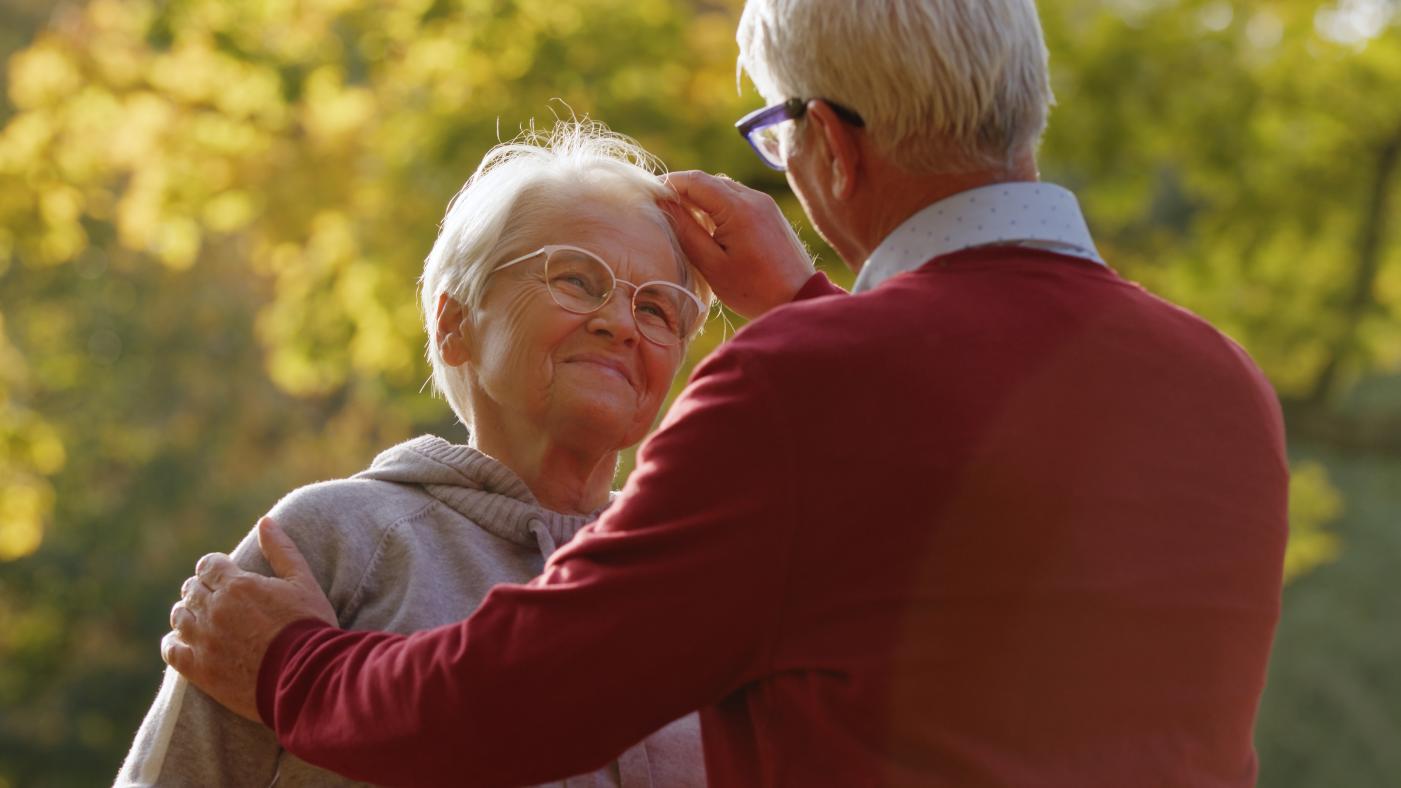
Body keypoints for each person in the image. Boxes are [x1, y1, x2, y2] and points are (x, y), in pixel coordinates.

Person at [164, 1, 1290, 786]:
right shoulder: (1225, 389)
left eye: (776, 137)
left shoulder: (806, 389)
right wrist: (808, 301)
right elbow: (940, 507)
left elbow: (519, 696)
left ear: (832, 146)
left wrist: (288, 662)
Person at [118, 122, 713, 787]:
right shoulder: (335, 542)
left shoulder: (708, 592)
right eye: (577, 279)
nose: (622, 323)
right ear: (454, 324)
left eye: (658, 309)